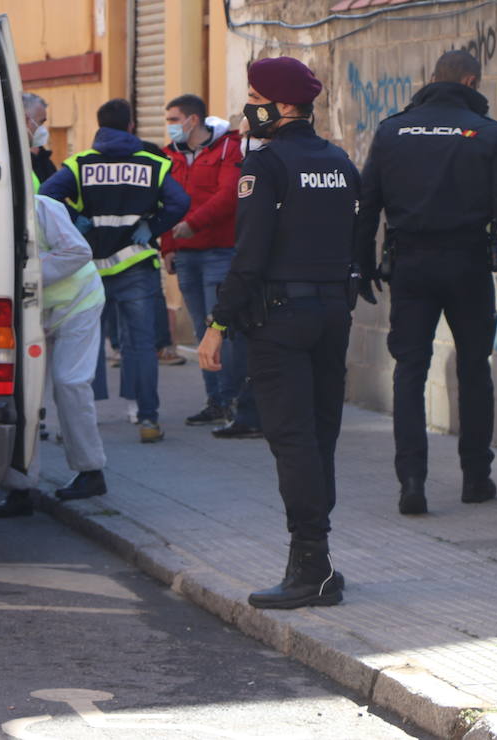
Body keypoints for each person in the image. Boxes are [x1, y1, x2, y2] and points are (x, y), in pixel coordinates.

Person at [198, 57, 359, 609]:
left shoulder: (264, 167)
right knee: (319, 438)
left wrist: (218, 323)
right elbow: (359, 238)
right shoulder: (338, 160)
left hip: (280, 319)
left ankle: (309, 567)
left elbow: (249, 255)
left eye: (253, 95)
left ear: (282, 106)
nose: (247, 105)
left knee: (292, 442)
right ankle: (321, 564)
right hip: (332, 315)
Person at [355, 50, 497, 516]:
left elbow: (366, 206)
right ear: (470, 80)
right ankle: (476, 478)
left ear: (431, 78)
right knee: (475, 369)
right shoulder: (489, 133)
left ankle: (412, 482)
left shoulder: (392, 130)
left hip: (411, 266)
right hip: (467, 266)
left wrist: (359, 266)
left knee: (409, 371)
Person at [41, 98, 190, 444]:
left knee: (86, 344)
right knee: (140, 344)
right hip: (135, 261)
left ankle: (81, 422)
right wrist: (153, 227)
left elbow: (45, 197)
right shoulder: (153, 163)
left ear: (99, 126)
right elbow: (180, 202)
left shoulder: (79, 165)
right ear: (131, 127)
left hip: (88, 267)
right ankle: (147, 418)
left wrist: (74, 223)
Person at [0, 194, 108, 516]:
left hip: (76, 304)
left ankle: (91, 471)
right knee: (24, 394)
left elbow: (79, 251)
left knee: (70, 382)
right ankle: (21, 487)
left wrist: (26, 274)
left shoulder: (42, 207)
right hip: (32, 313)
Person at [158, 96, 250, 431]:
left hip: (219, 253)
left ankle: (231, 400)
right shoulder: (170, 155)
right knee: (201, 330)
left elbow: (228, 196)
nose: (169, 124)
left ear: (193, 120)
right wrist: (168, 245)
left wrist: (193, 224)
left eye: (173, 118)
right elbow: (164, 202)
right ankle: (215, 401)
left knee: (221, 330)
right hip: (186, 256)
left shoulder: (229, 149)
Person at [23, 92, 58, 185]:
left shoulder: (44, 159)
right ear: (24, 119)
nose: (42, 129)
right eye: (40, 122)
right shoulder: (9, 158)